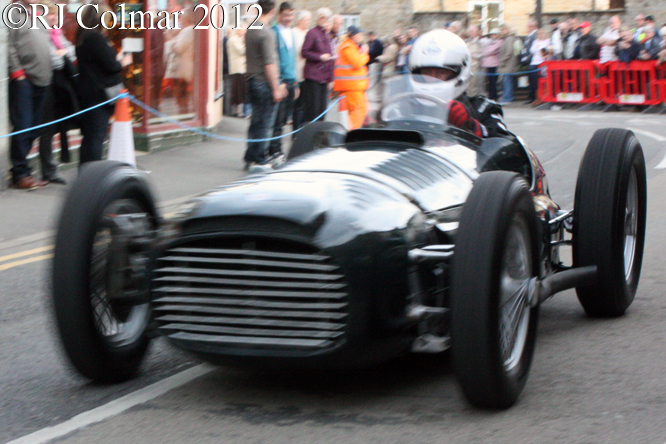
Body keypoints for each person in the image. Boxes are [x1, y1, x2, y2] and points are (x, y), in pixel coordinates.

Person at [408, 29, 510, 139]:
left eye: (441, 72)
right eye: (426, 73)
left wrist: (470, 125)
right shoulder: (406, 107)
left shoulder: (482, 108)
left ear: (460, 72)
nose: (433, 79)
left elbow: (503, 141)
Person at [7, 0, 52, 189]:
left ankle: (24, 170)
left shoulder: (40, 13)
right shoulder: (14, 12)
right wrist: (17, 73)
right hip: (24, 80)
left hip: (43, 79)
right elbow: (7, 44)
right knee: (23, 127)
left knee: (34, 128)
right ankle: (20, 173)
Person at [76, 3, 125, 166]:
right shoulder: (95, 38)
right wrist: (122, 61)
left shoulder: (82, 35)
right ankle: (92, 174)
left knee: (90, 137)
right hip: (98, 95)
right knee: (96, 136)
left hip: (88, 93)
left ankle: (85, 173)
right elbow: (112, 66)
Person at [243, 0, 287, 169]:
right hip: (263, 82)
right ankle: (260, 158)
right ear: (273, 10)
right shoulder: (267, 33)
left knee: (255, 121)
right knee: (265, 123)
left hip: (251, 80)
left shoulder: (251, 28)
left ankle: (250, 155)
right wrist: (276, 87)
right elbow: (269, 63)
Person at [39, 1, 78, 185]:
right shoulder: (42, 34)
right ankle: (47, 169)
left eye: (55, 14)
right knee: (46, 128)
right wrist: (63, 54)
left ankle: (51, 168)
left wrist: (62, 53)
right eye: (50, 14)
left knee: (56, 126)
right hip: (47, 83)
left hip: (59, 86)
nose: (53, 17)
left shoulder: (57, 32)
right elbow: (53, 60)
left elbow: (71, 51)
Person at [269, 2, 298, 157]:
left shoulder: (291, 33)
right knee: (277, 121)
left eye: (291, 15)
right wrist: (279, 82)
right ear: (279, 15)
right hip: (281, 82)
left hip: (291, 81)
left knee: (285, 119)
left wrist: (296, 83)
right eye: (286, 15)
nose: (289, 18)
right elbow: (273, 59)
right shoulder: (274, 32)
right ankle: (275, 149)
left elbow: (292, 60)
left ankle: (277, 148)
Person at [301, 7, 335, 125]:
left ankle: (319, 136)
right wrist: (319, 57)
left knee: (322, 110)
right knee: (312, 111)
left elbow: (331, 58)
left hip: (324, 78)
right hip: (313, 77)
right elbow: (304, 52)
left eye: (327, 18)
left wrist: (331, 78)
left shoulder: (326, 35)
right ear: (318, 18)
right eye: (322, 17)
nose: (324, 20)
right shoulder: (312, 33)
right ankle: (309, 137)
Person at [334, 26, 370, 129]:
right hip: (351, 87)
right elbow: (357, 63)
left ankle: (350, 132)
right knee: (359, 111)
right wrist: (365, 53)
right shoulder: (348, 47)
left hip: (353, 86)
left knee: (355, 112)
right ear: (354, 35)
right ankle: (351, 134)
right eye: (359, 34)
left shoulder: (350, 46)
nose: (361, 36)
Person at [169, 8, 195, 114]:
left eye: (182, 18)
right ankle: (185, 111)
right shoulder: (193, 30)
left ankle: (183, 112)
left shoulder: (187, 31)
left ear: (186, 18)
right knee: (184, 93)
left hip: (183, 67)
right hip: (188, 65)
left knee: (181, 92)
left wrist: (172, 42)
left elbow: (179, 48)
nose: (180, 20)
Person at [292, 9, 311, 132]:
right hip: (297, 73)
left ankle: (305, 130)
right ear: (299, 21)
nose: (309, 22)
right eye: (307, 19)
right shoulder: (293, 33)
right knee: (298, 105)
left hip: (309, 73)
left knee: (307, 104)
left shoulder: (310, 33)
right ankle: (296, 131)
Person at [227, 27, 248, 116]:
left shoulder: (240, 39)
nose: (244, 32)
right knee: (237, 90)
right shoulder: (233, 39)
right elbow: (242, 51)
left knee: (241, 90)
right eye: (243, 30)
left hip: (242, 68)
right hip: (237, 68)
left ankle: (239, 110)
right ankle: (236, 111)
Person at [498, 25, 518, 104]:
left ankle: (508, 98)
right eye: (501, 29)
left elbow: (509, 51)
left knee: (507, 81)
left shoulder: (509, 39)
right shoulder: (506, 39)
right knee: (506, 81)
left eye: (504, 29)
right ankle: (506, 97)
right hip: (507, 64)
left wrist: (502, 60)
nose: (502, 31)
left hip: (508, 64)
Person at [481, 28, 502, 101]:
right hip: (487, 64)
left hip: (494, 64)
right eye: (492, 34)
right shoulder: (490, 42)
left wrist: (485, 53)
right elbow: (485, 50)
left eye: (494, 34)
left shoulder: (499, 42)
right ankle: (490, 95)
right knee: (489, 81)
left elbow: (491, 51)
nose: (493, 36)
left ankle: (494, 96)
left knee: (493, 81)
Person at [520, 19, 538, 104]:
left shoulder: (535, 35)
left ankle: (533, 97)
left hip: (533, 61)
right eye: (528, 26)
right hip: (528, 60)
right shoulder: (528, 36)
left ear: (535, 26)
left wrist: (528, 59)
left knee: (534, 80)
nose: (529, 28)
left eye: (530, 26)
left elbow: (534, 49)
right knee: (530, 80)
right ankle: (530, 97)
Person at [465, 25, 483, 97]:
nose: (470, 33)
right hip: (466, 66)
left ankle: (473, 99)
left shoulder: (479, 42)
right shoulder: (467, 42)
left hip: (475, 66)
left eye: (472, 31)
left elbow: (483, 54)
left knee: (474, 85)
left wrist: (473, 56)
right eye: (469, 31)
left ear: (476, 32)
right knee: (467, 85)